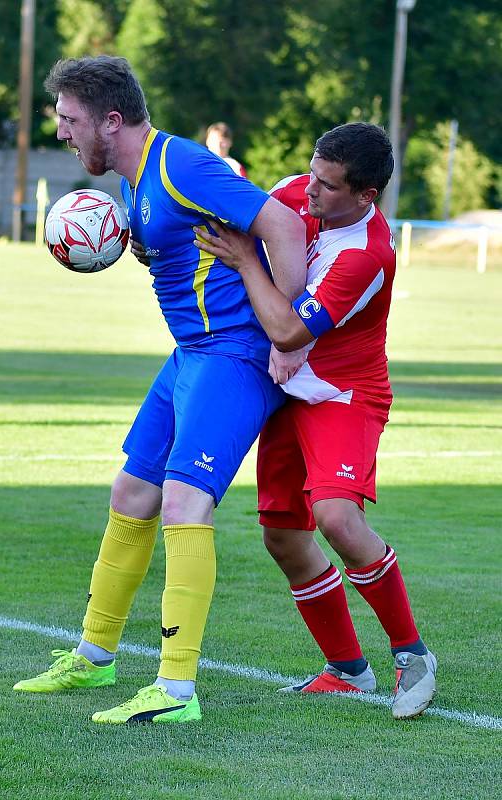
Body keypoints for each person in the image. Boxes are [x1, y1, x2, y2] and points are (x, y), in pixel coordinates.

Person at [12, 55, 306, 724]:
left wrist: (293, 338)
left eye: (69, 120)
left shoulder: (183, 165)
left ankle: (176, 691)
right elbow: (184, 243)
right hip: (189, 357)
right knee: (131, 493)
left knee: (182, 501)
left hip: (234, 355)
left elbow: (281, 227)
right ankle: (94, 657)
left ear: (111, 121)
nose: (61, 132)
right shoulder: (139, 182)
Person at [194, 122, 437, 720]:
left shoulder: (365, 255)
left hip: (343, 394)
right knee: (282, 533)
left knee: (335, 515)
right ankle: (348, 668)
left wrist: (249, 261)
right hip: (288, 390)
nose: (310, 193)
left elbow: (287, 329)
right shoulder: (295, 191)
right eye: (312, 173)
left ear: (365, 196)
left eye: (327, 187)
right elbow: (235, 222)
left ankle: (413, 655)